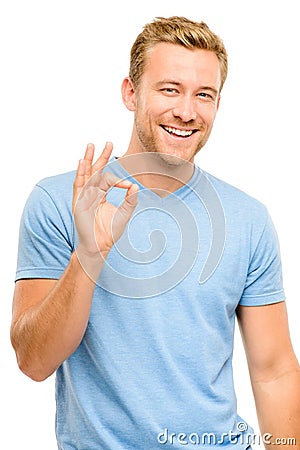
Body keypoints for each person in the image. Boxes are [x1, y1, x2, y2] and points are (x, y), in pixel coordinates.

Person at [11, 16, 300, 449]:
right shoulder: (60, 202)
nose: (186, 111)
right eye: (169, 89)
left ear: (218, 104)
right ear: (131, 92)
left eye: (204, 95)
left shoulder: (248, 219)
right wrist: (89, 255)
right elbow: (33, 362)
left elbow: (274, 370)